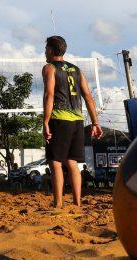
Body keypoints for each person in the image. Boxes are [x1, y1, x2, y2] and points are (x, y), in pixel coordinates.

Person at [42, 35, 103, 208]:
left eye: (46, 48)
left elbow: (50, 95)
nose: (45, 52)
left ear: (52, 50)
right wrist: (95, 123)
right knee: (71, 162)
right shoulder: (77, 70)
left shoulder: (49, 68)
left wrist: (46, 121)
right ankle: (77, 203)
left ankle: (58, 204)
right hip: (78, 120)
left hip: (60, 118)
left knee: (55, 161)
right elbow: (89, 97)